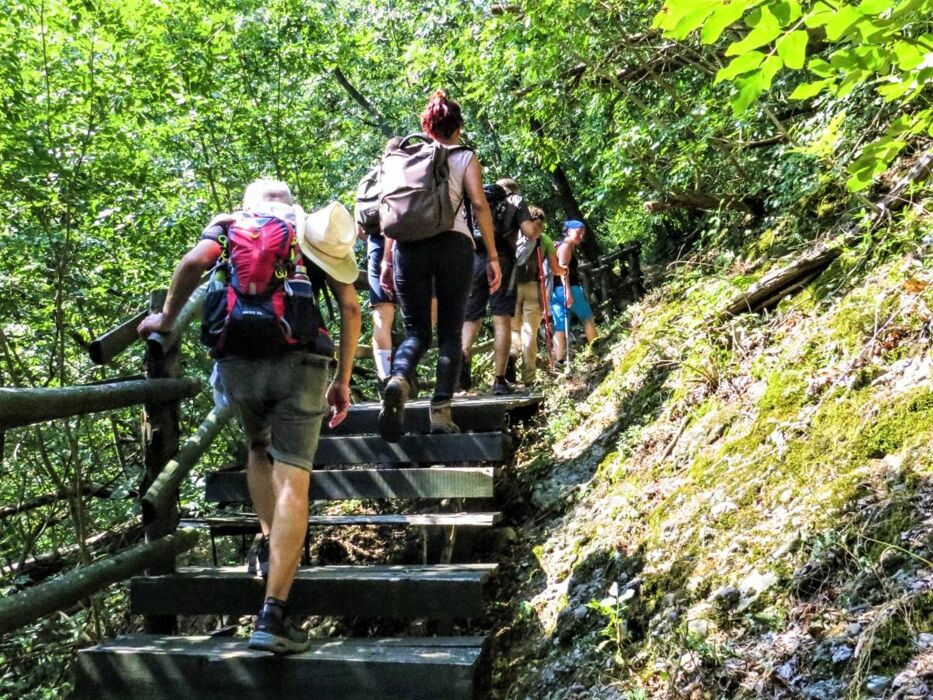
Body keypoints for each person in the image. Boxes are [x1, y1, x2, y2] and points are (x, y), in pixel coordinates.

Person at [138, 179, 361, 654]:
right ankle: (273, 615)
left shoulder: (227, 226)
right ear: (290, 204)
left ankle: (267, 541)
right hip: (301, 364)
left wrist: (167, 320)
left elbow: (193, 265)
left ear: (247, 205)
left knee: (258, 447)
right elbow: (350, 306)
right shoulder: (309, 231)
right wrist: (342, 378)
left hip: (237, 363)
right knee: (295, 475)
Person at [378, 90, 501, 441]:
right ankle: (441, 413)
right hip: (454, 245)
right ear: (458, 127)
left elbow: (392, 213)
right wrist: (492, 256)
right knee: (449, 332)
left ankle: (399, 378)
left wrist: (387, 259)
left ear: (426, 126)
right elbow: (479, 206)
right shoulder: (464, 157)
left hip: (408, 248)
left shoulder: (404, 159)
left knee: (416, 331)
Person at [460, 178, 537, 395]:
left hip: (474, 261)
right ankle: (499, 380)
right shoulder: (516, 202)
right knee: (501, 319)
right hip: (502, 260)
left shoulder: (474, 198)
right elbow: (530, 232)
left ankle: (464, 351)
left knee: (471, 316)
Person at [357, 137, 402, 395]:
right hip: (409, 243)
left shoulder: (368, 179)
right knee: (421, 314)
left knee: (382, 317)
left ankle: (385, 378)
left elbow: (359, 229)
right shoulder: (409, 175)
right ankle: (404, 373)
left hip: (375, 245)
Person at [509, 206, 565, 386]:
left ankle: (511, 353)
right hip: (534, 287)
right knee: (529, 333)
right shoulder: (544, 239)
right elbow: (556, 269)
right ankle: (529, 377)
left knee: (513, 329)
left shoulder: (513, 234)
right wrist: (565, 270)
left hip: (511, 287)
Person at [551, 220, 597, 367]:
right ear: (568, 231)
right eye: (578, 232)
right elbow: (563, 270)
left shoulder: (558, 246)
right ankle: (596, 350)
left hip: (555, 292)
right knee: (587, 317)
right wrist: (568, 292)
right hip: (568, 288)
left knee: (560, 326)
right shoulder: (565, 247)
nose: (581, 236)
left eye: (583, 233)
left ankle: (559, 361)